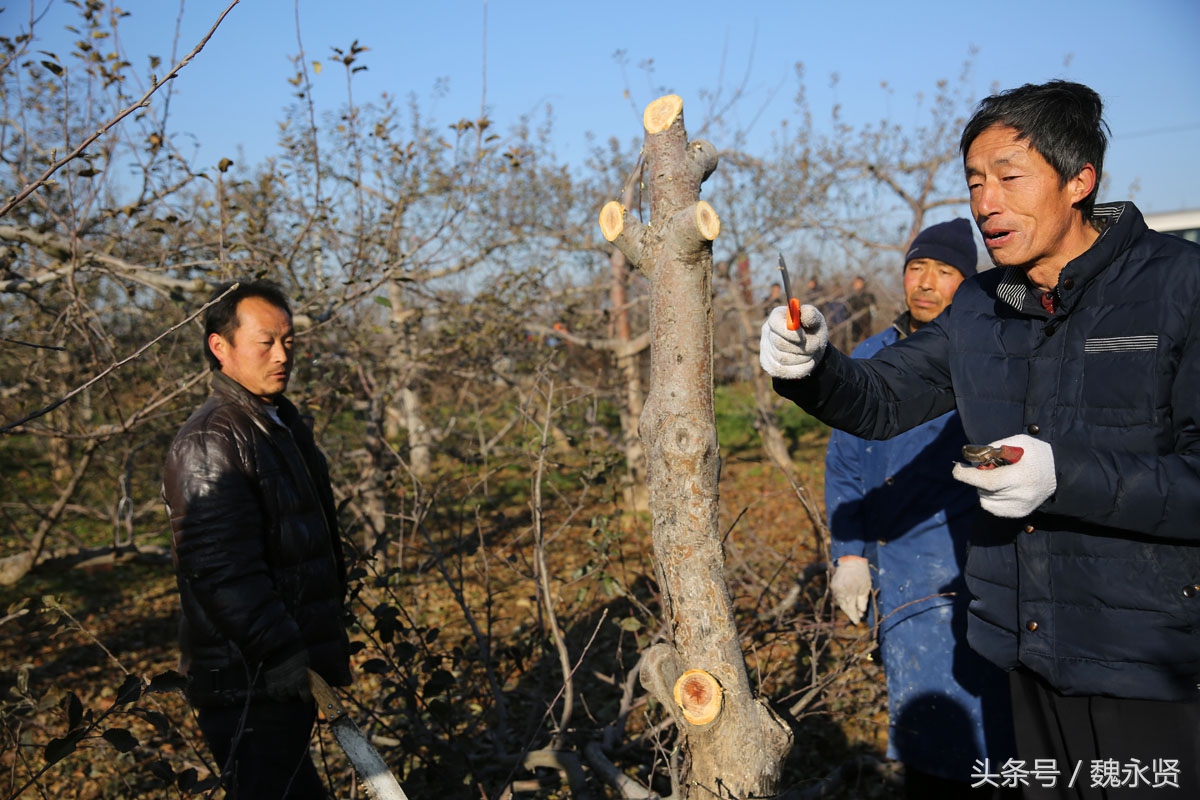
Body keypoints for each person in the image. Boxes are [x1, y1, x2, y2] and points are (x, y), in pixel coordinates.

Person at [761, 80, 1200, 798]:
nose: (985, 202)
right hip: (1025, 652)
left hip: (1152, 661)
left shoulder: (1180, 289)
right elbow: (881, 398)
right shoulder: (980, 307)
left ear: (1080, 180)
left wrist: (1067, 476)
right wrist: (812, 367)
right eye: (973, 181)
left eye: (1009, 177)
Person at [826, 218, 1016, 798]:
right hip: (894, 569)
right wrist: (849, 554)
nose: (926, 283)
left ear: (969, 283)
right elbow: (846, 465)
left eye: (944, 272)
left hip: (964, 568)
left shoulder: (990, 354)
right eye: (917, 269)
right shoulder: (874, 355)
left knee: (982, 731)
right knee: (919, 729)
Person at [163, 280, 351, 799]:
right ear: (220, 347)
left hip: (280, 672)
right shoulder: (212, 439)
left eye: (288, 341)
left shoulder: (274, 424)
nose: (281, 355)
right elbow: (221, 568)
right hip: (247, 679)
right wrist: (281, 651)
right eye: (265, 342)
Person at [844, 274, 875, 346]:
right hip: (855, 325)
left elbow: (874, 310)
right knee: (855, 344)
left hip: (866, 325)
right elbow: (847, 312)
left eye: (859, 283)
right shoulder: (851, 298)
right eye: (856, 283)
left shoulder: (869, 296)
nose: (857, 285)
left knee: (867, 344)